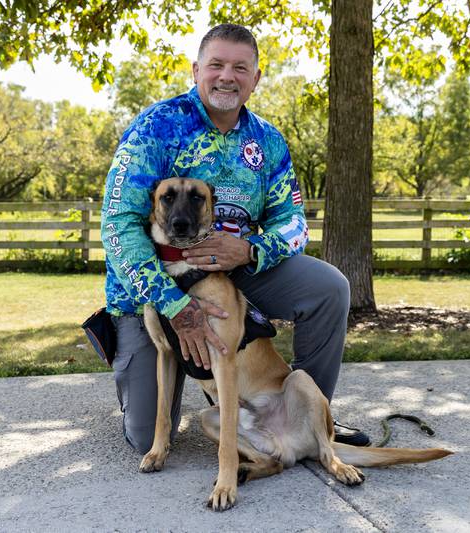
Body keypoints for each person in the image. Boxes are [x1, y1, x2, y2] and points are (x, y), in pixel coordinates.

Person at [100, 23, 368, 454]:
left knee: (329, 287)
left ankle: (308, 416)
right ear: (196, 70)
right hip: (154, 285)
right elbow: (116, 224)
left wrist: (251, 249)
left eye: (240, 67)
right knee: (144, 436)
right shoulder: (156, 127)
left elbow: (294, 221)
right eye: (217, 65)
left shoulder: (268, 141)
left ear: (255, 78)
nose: (227, 76)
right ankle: (185, 376)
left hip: (238, 272)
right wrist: (175, 307)